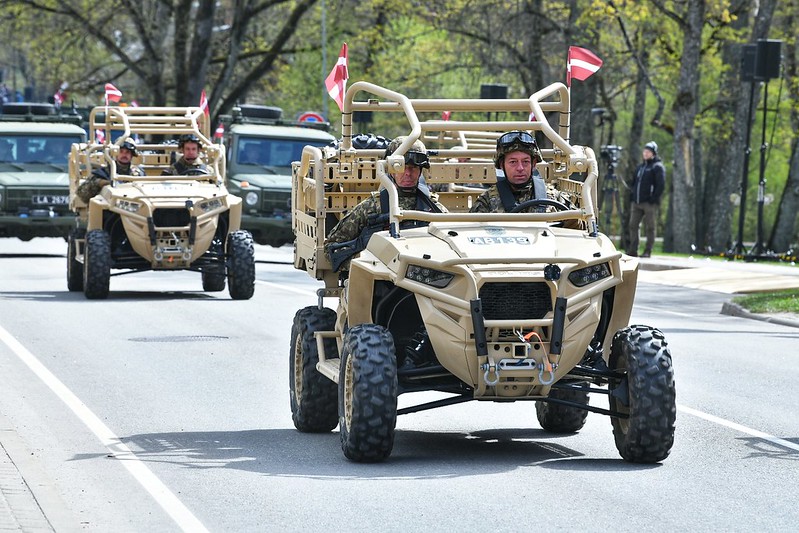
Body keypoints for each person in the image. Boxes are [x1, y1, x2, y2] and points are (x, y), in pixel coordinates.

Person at [324, 136, 446, 271]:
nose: (408, 173)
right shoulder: (371, 208)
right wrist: (366, 264)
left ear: (421, 170)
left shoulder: (433, 209)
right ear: (390, 169)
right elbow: (332, 248)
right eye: (402, 167)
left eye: (414, 168)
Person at [470, 130, 550, 213]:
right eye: (513, 162)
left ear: (533, 164)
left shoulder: (552, 198)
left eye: (525, 162)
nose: (520, 168)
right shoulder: (487, 202)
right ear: (502, 165)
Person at [627, 141, 665, 258]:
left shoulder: (657, 167)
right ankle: (633, 251)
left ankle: (648, 251)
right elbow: (634, 183)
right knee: (633, 225)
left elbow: (661, 185)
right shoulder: (640, 167)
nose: (645, 153)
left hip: (649, 203)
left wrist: (653, 199)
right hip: (636, 202)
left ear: (653, 153)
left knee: (650, 227)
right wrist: (632, 195)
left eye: (648, 151)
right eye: (644, 151)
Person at [76, 137, 144, 202]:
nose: (124, 155)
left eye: (127, 152)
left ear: (132, 155)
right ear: (115, 153)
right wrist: (99, 183)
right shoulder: (104, 173)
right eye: (121, 151)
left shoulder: (138, 174)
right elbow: (82, 194)